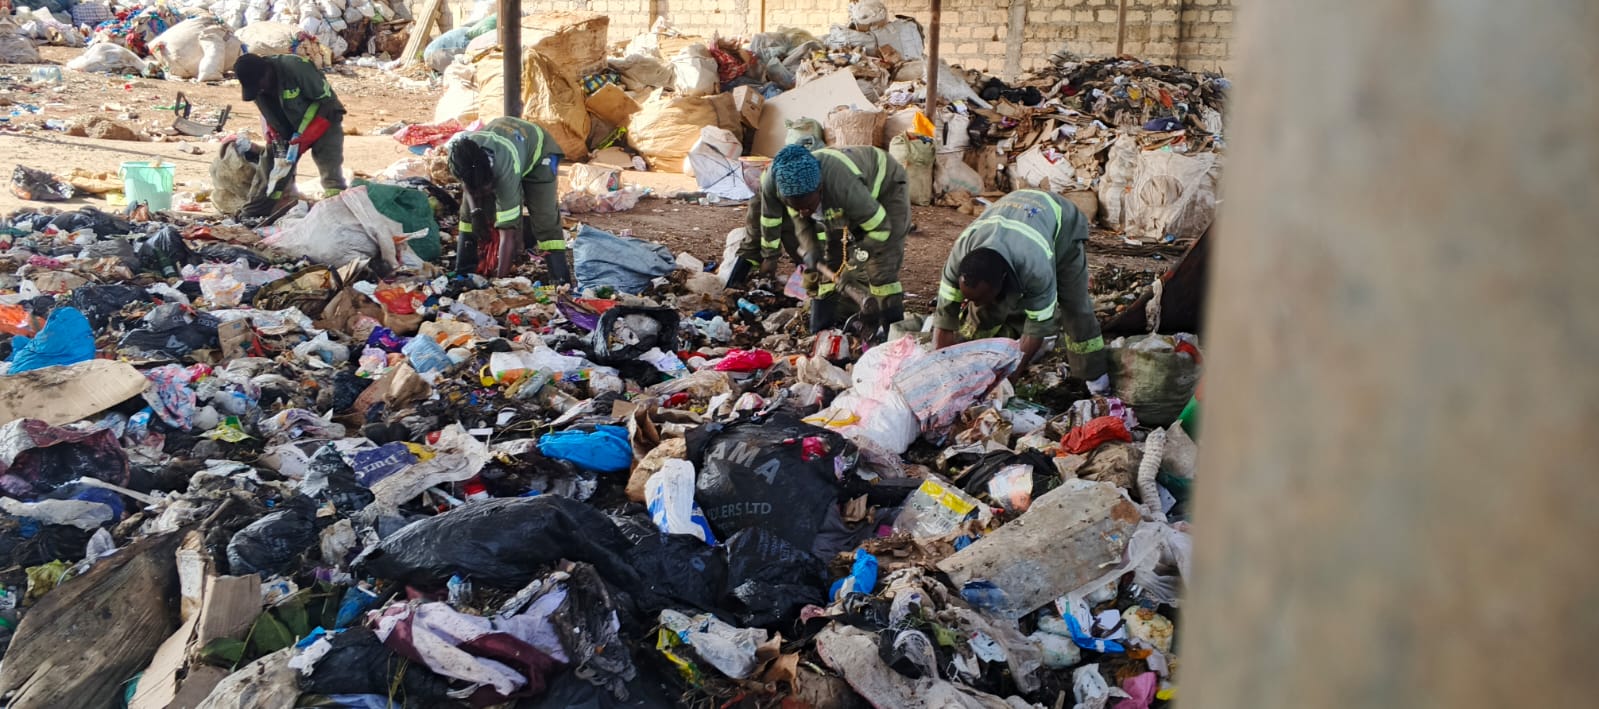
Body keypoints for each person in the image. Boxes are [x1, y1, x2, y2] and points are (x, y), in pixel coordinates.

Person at [930, 189, 1109, 388]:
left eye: (982, 297)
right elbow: (944, 320)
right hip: (1013, 216)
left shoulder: (1034, 269)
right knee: (983, 312)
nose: (975, 304)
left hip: (1062, 229)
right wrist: (941, 376)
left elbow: (1037, 327)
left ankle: (1097, 381)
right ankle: (979, 362)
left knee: (1074, 306)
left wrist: (1008, 380)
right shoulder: (958, 259)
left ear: (1003, 282)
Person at [727, 144, 910, 334]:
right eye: (796, 207)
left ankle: (893, 336)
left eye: (808, 206)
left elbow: (881, 228)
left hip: (886, 188)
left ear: (820, 189)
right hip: (847, 198)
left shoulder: (842, 188)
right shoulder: (790, 189)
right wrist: (812, 250)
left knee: (881, 268)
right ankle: (822, 327)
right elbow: (802, 224)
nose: (803, 212)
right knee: (830, 259)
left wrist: (854, 264)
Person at [445, 116, 567, 281]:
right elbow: (467, 184)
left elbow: (507, 233)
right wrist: (475, 212)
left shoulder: (505, 172)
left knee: (545, 218)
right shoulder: (459, 158)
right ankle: (464, 270)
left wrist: (499, 282)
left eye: (485, 189)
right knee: (466, 213)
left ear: (492, 179)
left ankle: (560, 279)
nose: (480, 194)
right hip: (505, 141)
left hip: (539, 154)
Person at [234, 53, 346, 198]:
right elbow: (267, 112)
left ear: (267, 73)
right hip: (286, 127)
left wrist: (310, 133)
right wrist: (273, 130)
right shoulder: (256, 87)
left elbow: (328, 102)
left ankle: (335, 199)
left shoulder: (296, 68)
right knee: (271, 171)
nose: (260, 90)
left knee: (329, 162)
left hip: (323, 119)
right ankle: (261, 206)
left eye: (260, 86)